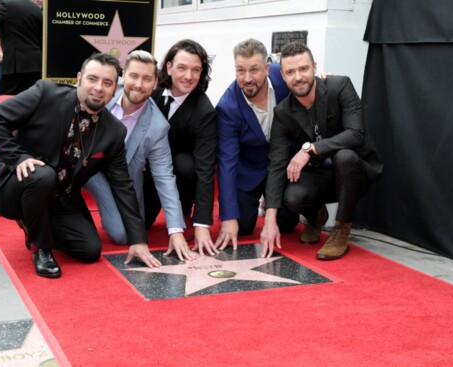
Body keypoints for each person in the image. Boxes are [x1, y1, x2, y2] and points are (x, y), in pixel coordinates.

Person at [0, 53, 162, 279]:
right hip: (16, 186)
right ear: (79, 78)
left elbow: (122, 185)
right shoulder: (45, 93)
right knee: (42, 175)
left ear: (115, 88)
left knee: (90, 250)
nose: (98, 88)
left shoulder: (114, 132)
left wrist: (138, 240)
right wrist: (18, 157)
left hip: (61, 197)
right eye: (92, 79)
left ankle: (36, 219)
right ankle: (41, 248)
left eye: (107, 83)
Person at [260, 42, 383, 260]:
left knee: (344, 156)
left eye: (303, 69)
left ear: (314, 67)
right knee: (292, 194)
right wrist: (269, 219)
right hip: (323, 176)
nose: (298, 77)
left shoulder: (340, 86)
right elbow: (277, 162)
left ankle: (341, 229)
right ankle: (316, 215)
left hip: (356, 172)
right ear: (284, 77)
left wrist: (310, 149)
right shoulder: (283, 112)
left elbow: (356, 134)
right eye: (290, 72)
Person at [85, 50, 196, 262]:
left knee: (124, 234)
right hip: (86, 167)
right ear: (123, 75)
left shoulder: (158, 126)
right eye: (134, 76)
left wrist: (175, 230)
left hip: (123, 181)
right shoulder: (102, 93)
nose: (139, 84)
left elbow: (164, 177)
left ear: (155, 83)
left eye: (147, 79)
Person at [214, 38, 299, 251]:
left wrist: (325, 78)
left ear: (267, 68)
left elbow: (306, 80)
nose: (247, 78)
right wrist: (228, 217)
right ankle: (254, 205)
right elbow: (227, 162)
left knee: (287, 224)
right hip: (249, 170)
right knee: (241, 227)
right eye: (240, 70)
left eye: (254, 70)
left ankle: (310, 209)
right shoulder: (227, 107)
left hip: (284, 165)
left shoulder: (283, 78)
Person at [147, 39, 218, 255]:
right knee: (136, 226)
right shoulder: (152, 91)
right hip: (148, 173)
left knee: (186, 164)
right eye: (182, 68)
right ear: (168, 67)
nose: (189, 76)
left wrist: (202, 223)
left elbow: (206, 169)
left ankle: (184, 210)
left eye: (196, 70)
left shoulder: (205, 111)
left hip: (180, 175)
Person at [0, 0, 42, 95]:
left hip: (15, 66)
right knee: (31, 101)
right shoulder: (36, 8)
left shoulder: (6, 5)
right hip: (35, 65)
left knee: (6, 102)